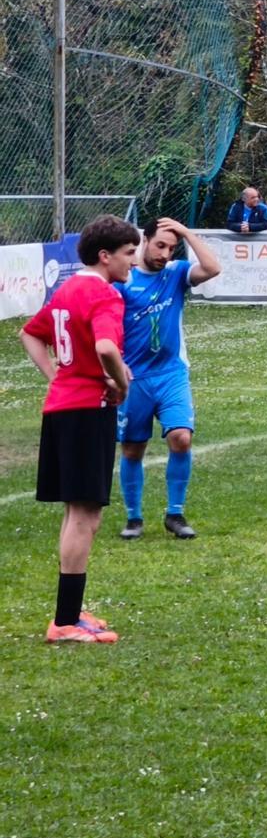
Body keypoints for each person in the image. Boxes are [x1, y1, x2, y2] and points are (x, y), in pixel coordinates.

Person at [19, 215, 139, 643]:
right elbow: (106, 347)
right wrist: (121, 385)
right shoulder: (105, 294)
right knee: (86, 515)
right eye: (128, 253)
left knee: (77, 513)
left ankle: (69, 611)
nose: (134, 261)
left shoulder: (68, 289)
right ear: (105, 256)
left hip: (62, 408)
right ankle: (65, 622)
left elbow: (29, 334)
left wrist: (57, 376)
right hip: (87, 410)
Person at [116, 217, 223, 540]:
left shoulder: (176, 273)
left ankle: (175, 514)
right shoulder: (123, 280)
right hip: (134, 378)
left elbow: (213, 268)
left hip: (171, 373)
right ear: (144, 241)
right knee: (133, 450)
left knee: (181, 438)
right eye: (160, 245)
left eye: (171, 248)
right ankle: (134, 518)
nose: (165, 253)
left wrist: (187, 233)